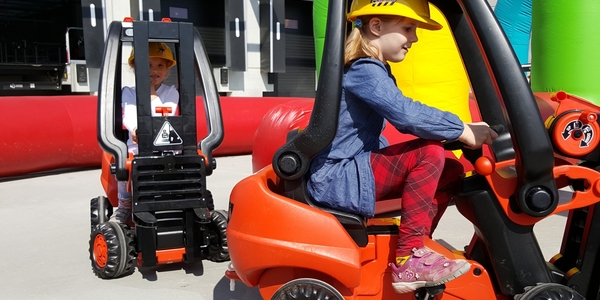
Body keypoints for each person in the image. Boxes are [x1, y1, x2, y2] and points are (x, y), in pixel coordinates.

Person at [306, 0, 498, 294]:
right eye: (408, 28)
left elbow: (371, 134)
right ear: (376, 26)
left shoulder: (375, 70)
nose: (415, 38)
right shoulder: (363, 69)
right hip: (337, 177)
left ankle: (416, 244)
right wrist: (460, 129)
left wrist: (457, 131)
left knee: (451, 168)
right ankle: (409, 257)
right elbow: (405, 114)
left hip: (348, 172)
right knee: (429, 151)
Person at [110, 42, 179, 225]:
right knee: (124, 163)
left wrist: (149, 90)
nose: (154, 70)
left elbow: (164, 115)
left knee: (189, 158)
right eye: (147, 65)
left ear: (167, 70)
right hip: (138, 146)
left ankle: (187, 201)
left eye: (160, 66)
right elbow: (130, 115)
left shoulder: (171, 93)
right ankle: (125, 204)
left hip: (166, 146)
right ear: (135, 68)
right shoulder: (129, 93)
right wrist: (135, 129)